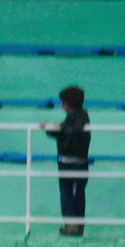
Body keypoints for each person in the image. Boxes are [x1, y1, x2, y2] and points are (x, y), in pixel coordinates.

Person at [44, 85, 91, 237]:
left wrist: (58, 127)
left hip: (75, 161)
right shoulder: (75, 118)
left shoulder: (80, 118)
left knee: (73, 193)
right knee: (69, 193)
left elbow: (69, 132)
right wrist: (51, 128)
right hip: (70, 161)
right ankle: (74, 224)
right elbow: (64, 133)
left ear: (66, 104)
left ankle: (74, 224)